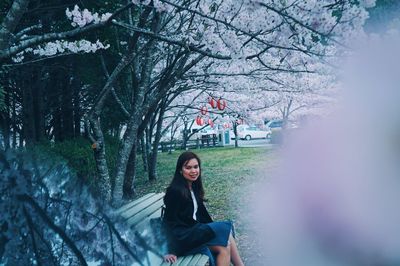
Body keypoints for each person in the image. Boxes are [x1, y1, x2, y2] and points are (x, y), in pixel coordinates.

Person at [162, 151, 244, 266]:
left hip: (193, 232)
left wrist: (212, 229)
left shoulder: (193, 187)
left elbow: (202, 215)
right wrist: (167, 251)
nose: (193, 171)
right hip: (182, 238)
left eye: (196, 167)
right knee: (224, 240)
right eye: (188, 168)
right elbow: (168, 222)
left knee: (226, 238)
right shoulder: (175, 191)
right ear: (180, 170)